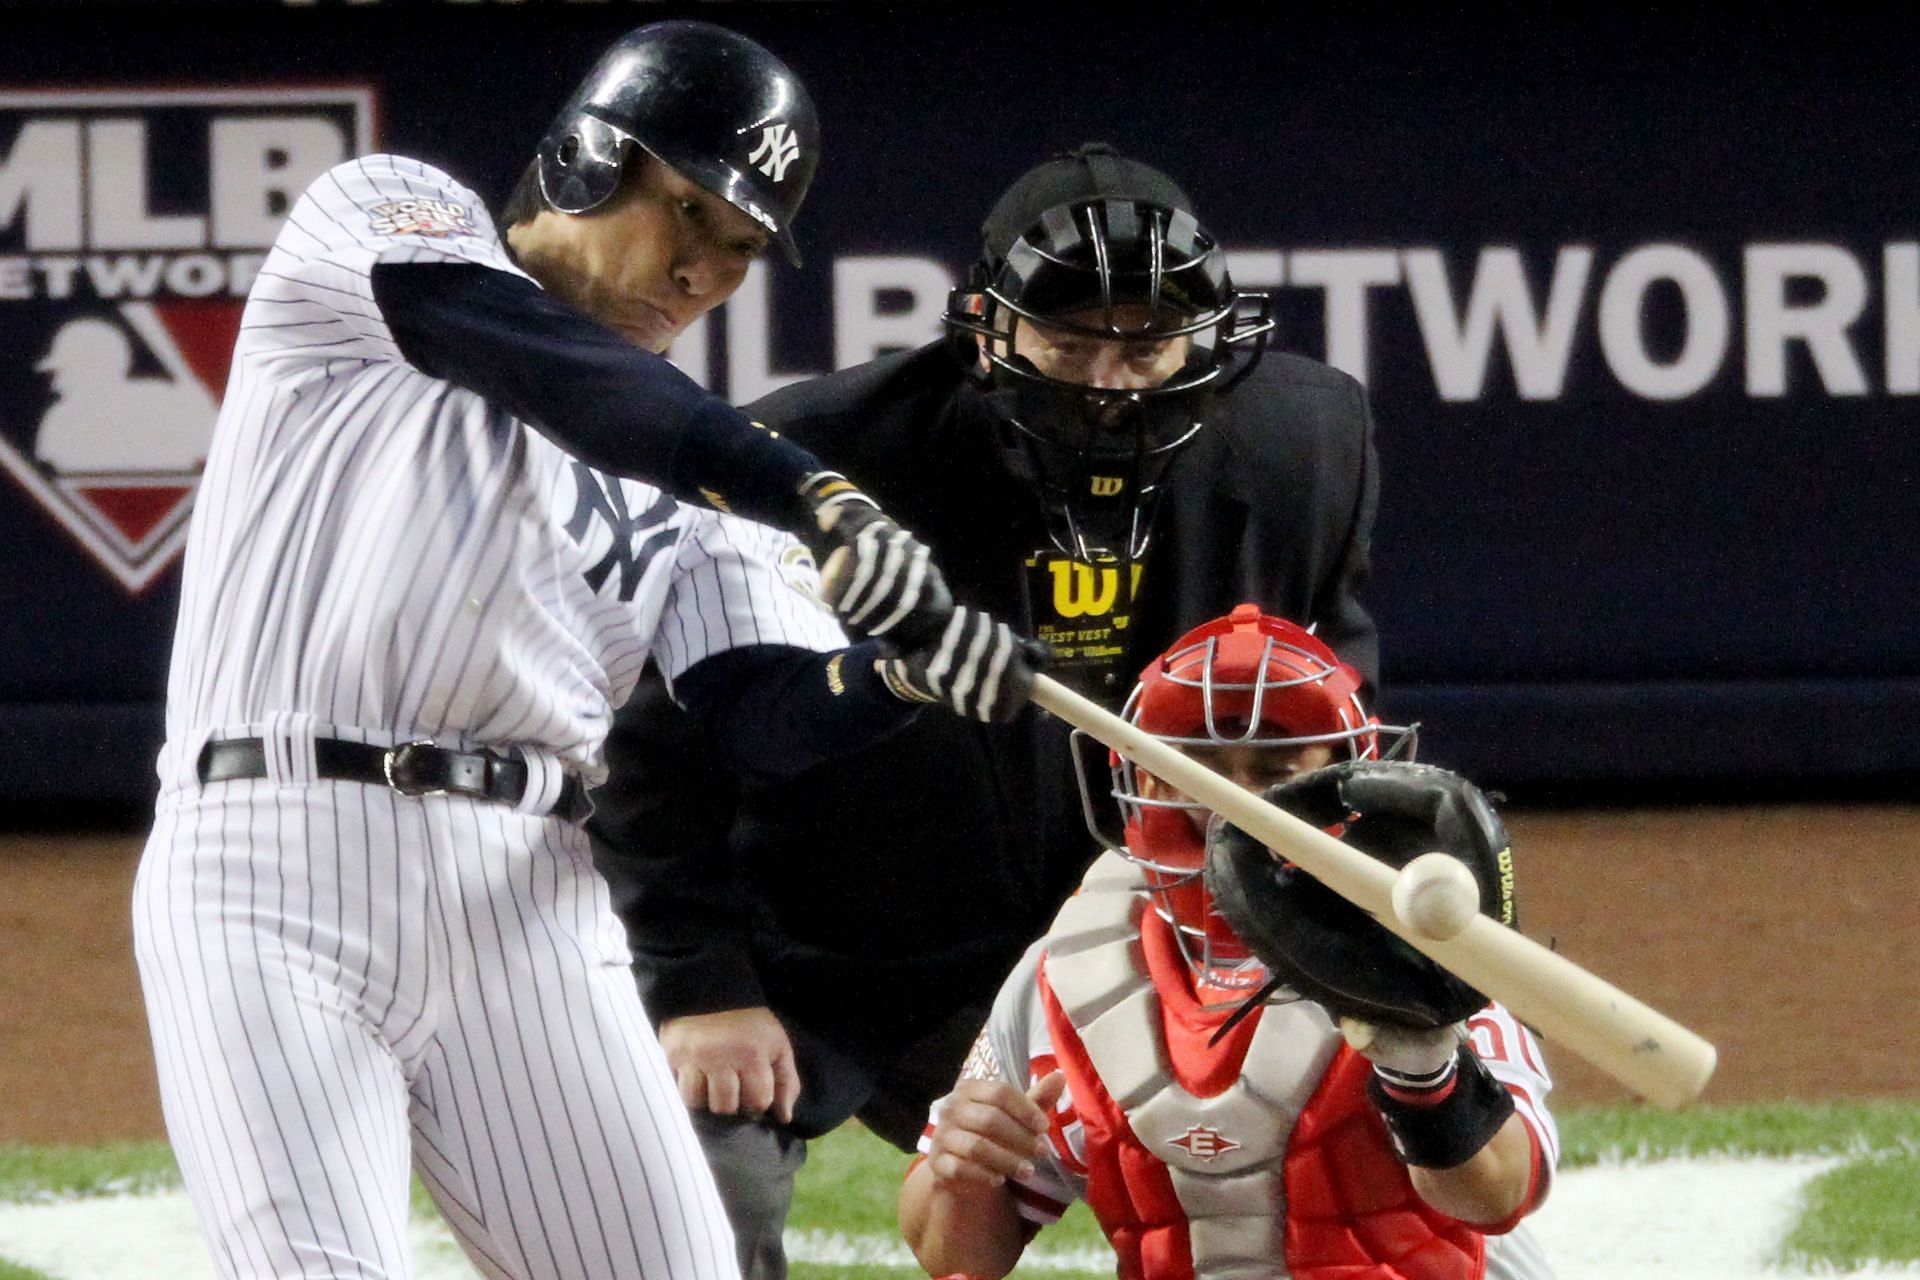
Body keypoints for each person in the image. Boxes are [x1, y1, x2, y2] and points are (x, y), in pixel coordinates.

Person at [131, 21, 1040, 1280]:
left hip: (535, 900)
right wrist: (807, 489)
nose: (705, 271)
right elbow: (563, 374)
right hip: (279, 861)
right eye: (688, 213)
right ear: (582, 160)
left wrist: (893, 676)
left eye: (740, 248)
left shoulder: (698, 471)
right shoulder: (382, 223)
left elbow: (759, 715)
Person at [591, 144, 1384, 1279]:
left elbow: (1327, 744)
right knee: (689, 1190)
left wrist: (1361, 948)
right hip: (831, 948)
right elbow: (657, 749)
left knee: (1356, 1141)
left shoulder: (1304, 444)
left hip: (1141, 941)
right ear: (986, 333)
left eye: (1147, 342)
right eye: (1070, 340)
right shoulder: (810, 461)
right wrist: (698, 981)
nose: (1112, 380)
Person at [900, 606, 1558, 1280]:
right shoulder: (1071, 972)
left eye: (1273, 768)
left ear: (1349, 775)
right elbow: (954, 1258)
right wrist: (964, 1172)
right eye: (1196, 765)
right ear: (1142, 780)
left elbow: (1501, 1194)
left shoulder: (1414, 950)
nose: (1230, 802)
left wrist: (1427, 1076)